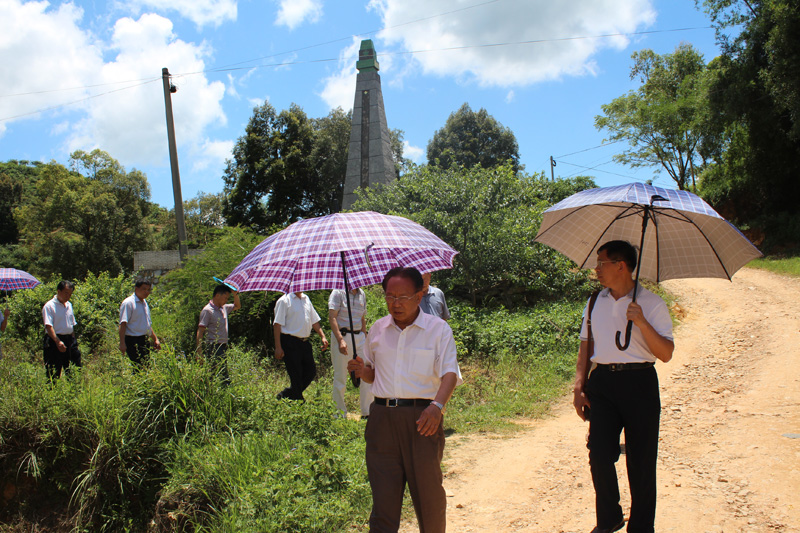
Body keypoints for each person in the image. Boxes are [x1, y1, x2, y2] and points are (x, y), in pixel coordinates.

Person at [348, 267, 462, 533]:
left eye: (403, 297)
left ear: (420, 295)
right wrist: (360, 370)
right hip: (381, 420)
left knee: (428, 496)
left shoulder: (438, 330)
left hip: (422, 420)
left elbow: (449, 374)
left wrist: (437, 407)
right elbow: (372, 373)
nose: (395, 303)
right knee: (383, 498)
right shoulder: (377, 329)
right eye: (389, 297)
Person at [572, 240, 674, 533]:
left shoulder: (651, 303)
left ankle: (641, 527)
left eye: (601, 263)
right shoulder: (594, 302)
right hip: (602, 383)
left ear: (621, 266)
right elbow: (585, 346)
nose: (597, 269)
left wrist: (641, 321)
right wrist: (579, 386)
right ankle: (609, 518)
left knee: (641, 461)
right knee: (599, 453)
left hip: (639, 382)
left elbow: (665, 353)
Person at [273, 292, 329, 400]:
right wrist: (278, 347)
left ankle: (286, 395)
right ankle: (298, 402)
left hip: (304, 342)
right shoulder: (284, 300)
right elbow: (277, 325)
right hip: (290, 341)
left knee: (311, 371)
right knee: (296, 374)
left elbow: (314, 320)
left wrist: (322, 336)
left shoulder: (306, 298)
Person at [328, 287, 373, 418]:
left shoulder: (362, 294)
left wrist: (365, 337)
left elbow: (362, 318)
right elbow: (332, 317)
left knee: (365, 372)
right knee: (340, 375)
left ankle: (367, 412)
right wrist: (340, 340)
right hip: (343, 335)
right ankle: (339, 413)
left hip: (359, 337)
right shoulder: (338, 292)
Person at [196, 284, 241, 386]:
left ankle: (214, 392)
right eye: (225, 297)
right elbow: (200, 331)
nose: (226, 300)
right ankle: (223, 392)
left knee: (216, 373)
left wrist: (235, 295)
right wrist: (199, 351)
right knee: (221, 374)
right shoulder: (207, 310)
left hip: (223, 346)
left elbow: (237, 306)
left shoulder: (223, 308)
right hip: (213, 346)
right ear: (217, 295)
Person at [42, 280, 82, 381]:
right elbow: (48, 326)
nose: (68, 296)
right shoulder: (49, 306)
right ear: (58, 291)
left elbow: (71, 324)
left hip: (69, 340)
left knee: (74, 368)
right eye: (66, 293)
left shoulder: (69, 305)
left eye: (70, 294)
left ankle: (74, 391)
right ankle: (53, 393)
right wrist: (57, 341)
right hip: (54, 340)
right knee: (54, 371)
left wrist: (73, 339)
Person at [119, 278, 161, 367]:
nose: (146, 292)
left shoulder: (144, 303)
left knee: (146, 365)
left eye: (148, 290)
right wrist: (122, 343)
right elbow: (123, 324)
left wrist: (155, 339)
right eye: (144, 289)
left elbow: (147, 325)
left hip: (143, 339)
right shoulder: (128, 303)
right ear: (136, 289)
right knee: (137, 366)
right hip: (132, 340)